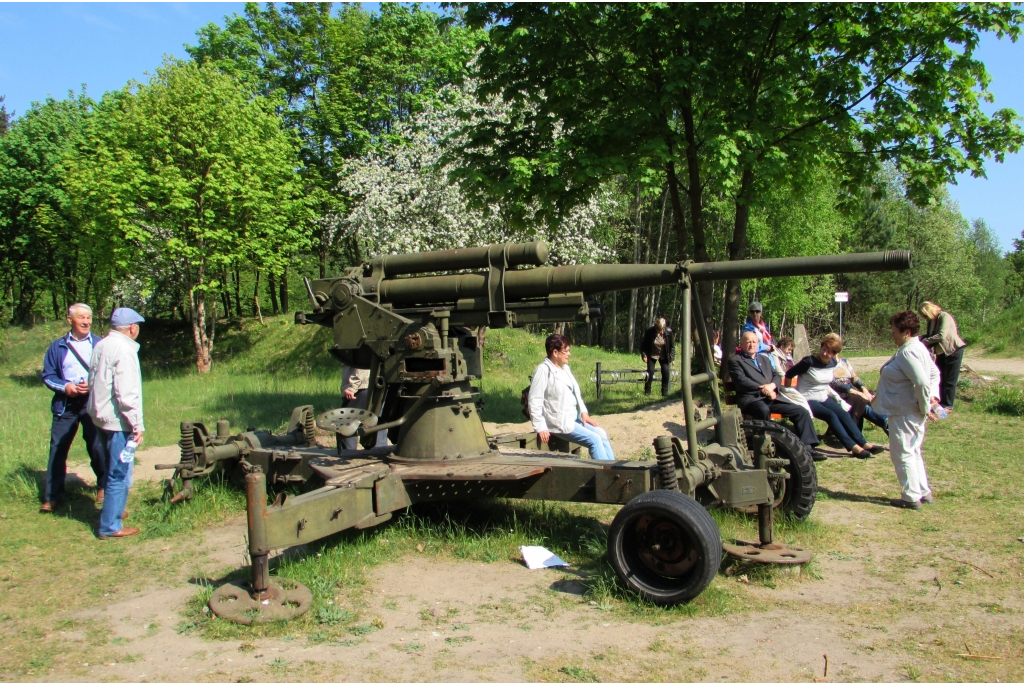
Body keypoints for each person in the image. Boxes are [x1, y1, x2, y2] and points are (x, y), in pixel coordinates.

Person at [39, 304, 108, 513]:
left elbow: (109, 373)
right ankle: (53, 497)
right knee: (58, 448)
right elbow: (48, 376)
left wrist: (93, 383)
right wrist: (66, 387)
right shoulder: (57, 347)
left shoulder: (100, 344)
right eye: (81, 318)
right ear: (70, 320)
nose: (86, 321)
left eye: (89, 317)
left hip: (92, 402)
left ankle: (104, 486)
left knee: (97, 445)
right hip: (65, 404)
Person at [872, 310, 941, 510]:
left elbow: (921, 380)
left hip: (905, 410)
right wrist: (931, 399)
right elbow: (933, 374)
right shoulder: (916, 347)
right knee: (913, 450)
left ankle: (911, 497)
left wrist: (926, 404)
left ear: (907, 332)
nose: (892, 334)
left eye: (895, 330)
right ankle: (922, 491)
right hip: (909, 409)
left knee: (902, 453)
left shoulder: (909, 351)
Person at [87, 307, 146, 539]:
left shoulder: (101, 344)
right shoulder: (124, 350)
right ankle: (110, 526)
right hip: (118, 421)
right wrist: (137, 424)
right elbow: (127, 393)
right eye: (138, 325)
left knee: (116, 469)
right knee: (119, 472)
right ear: (132, 328)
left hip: (100, 417)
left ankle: (115, 511)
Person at [786, 333, 886, 459]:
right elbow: (789, 374)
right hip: (807, 398)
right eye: (824, 349)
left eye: (829, 352)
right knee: (831, 415)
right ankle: (853, 447)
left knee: (844, 413)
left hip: (823, 396)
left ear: (834, 354)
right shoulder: (808, 361)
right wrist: (790, 394)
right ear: (821, 347)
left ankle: (863, 443)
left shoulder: (832, 363)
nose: (825, 354)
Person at [728, 331, 821, 457]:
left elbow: (777, 375)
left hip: (771, 397)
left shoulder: (764, 358)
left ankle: (808, 447)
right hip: (752, 399)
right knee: (763, 410)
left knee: (800, 410)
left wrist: (772, 386)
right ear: (742, 344)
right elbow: (741, 381)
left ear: (758, 343)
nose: (751, 344)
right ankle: (766, 445)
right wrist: (764, 389)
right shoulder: (736, 360)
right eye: (748, 342)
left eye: (754, 342)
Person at [528, 334, 616, 461]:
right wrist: (540, 427)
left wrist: (584, 413)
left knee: (601, 433)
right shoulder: (543, 370)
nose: (569, 354)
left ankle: (614, 468)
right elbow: (534, 401)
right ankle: (606, 474)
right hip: (559, 422)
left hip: (573, 418)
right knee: (594, 440)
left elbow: (576, 393)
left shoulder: (565, 368)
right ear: (555, 352)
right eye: (566, 351)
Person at [918, 301, 966, 411]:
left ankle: (948, 405)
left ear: (929, 311)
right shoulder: (931, 321)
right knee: (940, 377)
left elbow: (941, 335)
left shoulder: (944, 316)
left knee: (950, 379)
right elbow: (930, 336)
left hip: (953, 350)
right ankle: (939, 403)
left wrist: (924, 342)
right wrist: (917, 339)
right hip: (941, 352)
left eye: (925, 315)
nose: (925, 318)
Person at [831, 356, 889, 435]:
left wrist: (864, 390)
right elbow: (834, 384)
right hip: (837, 394)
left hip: (852, 392)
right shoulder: (825, 363)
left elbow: (854, 378)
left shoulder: (844, 361)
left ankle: (887, 423)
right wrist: (858, 393)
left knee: (870, 397)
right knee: (860, 400)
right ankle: (885, 421)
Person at [339, 364, 388, 450]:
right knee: (377, 424)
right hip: (379, 386)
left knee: (346, 423)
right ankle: (378, 456)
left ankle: (349, 456)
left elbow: (362, 363)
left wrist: (352, 387)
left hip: (362, 388)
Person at [640, 316, 675, 396]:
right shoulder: (650, 331)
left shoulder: (668, 332)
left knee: (666, 372)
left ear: (663, 328)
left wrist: (672, 357)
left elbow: (672, 346)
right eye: (657, 329)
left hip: (664, 354)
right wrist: (643, 355)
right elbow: (643, 345)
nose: (658, 331)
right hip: (652, 354)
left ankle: (664, 393)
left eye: (660, 330)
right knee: (650, 372)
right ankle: (647, 391)